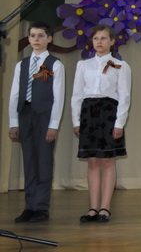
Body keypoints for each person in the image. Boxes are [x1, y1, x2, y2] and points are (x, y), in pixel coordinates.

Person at [71, 24, 132, 223]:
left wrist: (119, 123)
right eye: (96, 38)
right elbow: (77, 95)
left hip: (109, 113)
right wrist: (76, 120)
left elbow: (124, 96)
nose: (99, 42)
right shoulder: (83, 65)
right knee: (92, 161)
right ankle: (93, 208)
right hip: (88, 113)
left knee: (107, 161)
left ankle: (105, 207)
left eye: (104, 38)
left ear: (112, 41)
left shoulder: (121, 66)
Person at [8, 22, 65, 223]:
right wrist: (14, 122)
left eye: (41, 35)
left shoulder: (55, 64)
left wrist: (53, 125)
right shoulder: (21, 65)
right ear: (29, 39)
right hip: (26, 114)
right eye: (33, 35)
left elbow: (59, 97)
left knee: (44, 161)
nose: (36, 39)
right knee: (29, 161)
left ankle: (41, 207)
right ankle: (29, 206)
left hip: (44, 116)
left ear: (49, 38)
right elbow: (15, 94)